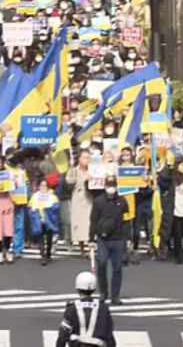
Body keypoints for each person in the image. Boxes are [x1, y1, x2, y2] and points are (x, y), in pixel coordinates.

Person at [89, 175, 127, 305]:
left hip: (118, 238)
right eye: (109, 185)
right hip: (103, 239)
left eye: (113, 185)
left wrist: (128, 238)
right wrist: (91, 239)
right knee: (102, 264)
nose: (111, 188)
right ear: (105, 186)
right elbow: (93, 221)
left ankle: (115, 296)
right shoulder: (98, 201)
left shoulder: (122, 201)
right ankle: (103, 293)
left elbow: (127, 221)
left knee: (117, 268)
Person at [55, 272, 116, 347]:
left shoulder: (72, 308)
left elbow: (63, 335)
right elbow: (109, 336)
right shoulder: (103, 308)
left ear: (77, 288)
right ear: (94, 289)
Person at [158, 156, 183, 264]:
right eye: (181, 165)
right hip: (175, 209)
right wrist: (168, 166)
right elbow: (162, 180)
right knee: (177, 233)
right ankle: (178, 255)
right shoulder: (172, 177)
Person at [67, 149, 95, 258]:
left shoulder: (93, 170)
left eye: (88, 158)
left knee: (89, 222)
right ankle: (82, 247)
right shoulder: (75, 170)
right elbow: (69, 181)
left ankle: (89, 245)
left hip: (89, 197)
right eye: (84, 157)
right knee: (78, 222)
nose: (86, 160)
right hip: (78, 196)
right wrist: (71, 167)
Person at [29, 178, 61, 265]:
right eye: (41, 186)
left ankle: (48, 254)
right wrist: (34, 212)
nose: (43, 187)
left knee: (49, 239)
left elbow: (56, 207)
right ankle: (43, 256)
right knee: (41, 239)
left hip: (49, 221)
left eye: (45, 186)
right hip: (39, 220)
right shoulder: (35, 196)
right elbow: (30, 207)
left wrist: (48, 210)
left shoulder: (52, 197)